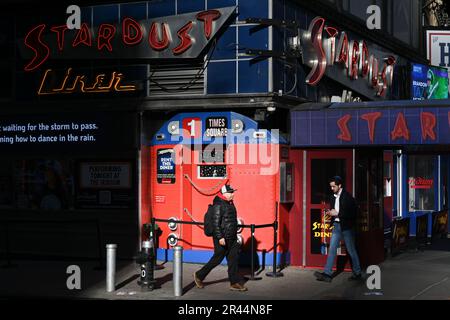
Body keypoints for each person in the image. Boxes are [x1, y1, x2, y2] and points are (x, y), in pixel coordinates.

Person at [193, 184, 248, 292]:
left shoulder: (229, 203)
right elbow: (216, 223)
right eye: (231, 192)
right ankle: (199, 275)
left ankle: (234, 283)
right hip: (222, 238)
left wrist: (234, 235)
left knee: (233, 259)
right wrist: (220, 237)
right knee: (217, 259)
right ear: (224, 194)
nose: (233, 194)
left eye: (233, 192)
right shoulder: (218, 205)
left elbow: (230, 221)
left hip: (231, 237)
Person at [314, 176, 362, 283]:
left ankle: (357, 272)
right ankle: (327, 273)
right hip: (336, 225)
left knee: (351, 250)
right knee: (332, 249)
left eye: (333, 186)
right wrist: (331, 213)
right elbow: (334, 209)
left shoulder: (348, 197)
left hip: (347, 227)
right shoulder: (332, 197)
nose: (332, 188)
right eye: (330, 186)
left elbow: (352, 213)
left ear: (340, 185)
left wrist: (338, 213)